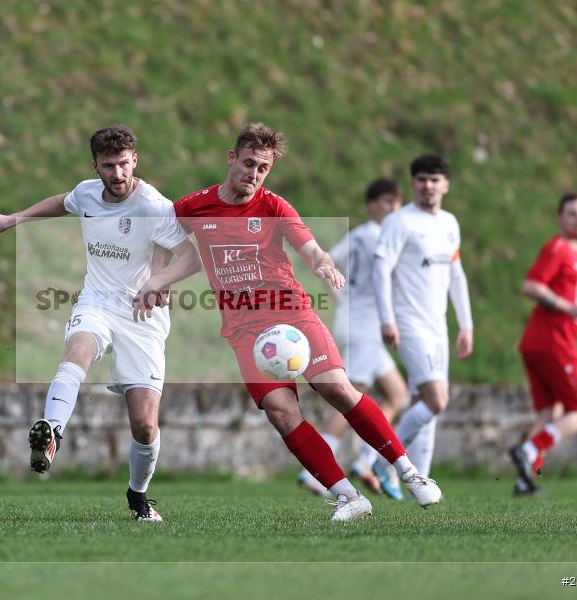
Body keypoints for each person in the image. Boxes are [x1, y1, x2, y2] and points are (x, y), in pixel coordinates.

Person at [170, 123, 441, 522]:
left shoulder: (274, 206)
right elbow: (158, 235)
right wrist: (154, 280)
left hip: (291, 314)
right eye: (248, 164)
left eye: (263, 168)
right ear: (231, 158)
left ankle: (410, 472)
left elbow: (312, 249)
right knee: (281, 413)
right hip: (245, 331)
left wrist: (325, 266)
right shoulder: (193, 207)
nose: (254, 174)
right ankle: (348, 497)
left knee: (338, 390)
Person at [0, 126, 201, 521]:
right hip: (97, 301)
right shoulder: (87, 193)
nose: (117, 173)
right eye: (108, 166)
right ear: (96, 166)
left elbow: (190, 256)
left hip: (142, 314)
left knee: (145, 426)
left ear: (135, 160)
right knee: (78, 349)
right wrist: (13, 219)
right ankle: (52, 433)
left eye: (123, 164)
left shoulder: (153, 205)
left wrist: (158, 280)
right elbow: (62, 203)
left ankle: (138, 496)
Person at [297, 178, 409, 500]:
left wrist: (342, 297)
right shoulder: (379, 237)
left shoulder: (359, 234)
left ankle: (366, 459)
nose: (393, 208)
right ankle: (313, 471)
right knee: (350, 400)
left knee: (397, 393)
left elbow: (324, 261)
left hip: (361, 325)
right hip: (363, 329)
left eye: (397, 202)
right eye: (387, 202)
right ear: (372, 204)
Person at [371, 155, 473, 483]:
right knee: (436, 400)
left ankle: (421, 480)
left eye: (434, 179)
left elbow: (456, 274)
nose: (428, 186)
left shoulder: (449, 223)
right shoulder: (399, 222)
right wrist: (387, 319)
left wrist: (466, 324)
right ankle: (385, 461)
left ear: (446, 185)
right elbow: (381, 269)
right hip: (408, 324)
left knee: (423, 404)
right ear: (413, 183)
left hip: (438, 328)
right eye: (421, 179)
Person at [510, 193, 577, 495]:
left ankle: (526, 479)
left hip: (538, 342)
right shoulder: (560, 248)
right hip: (553, 342)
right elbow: (531, 286)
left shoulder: (576, 255)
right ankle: (529, 450)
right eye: (572, 214)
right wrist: (569, 307)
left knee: (550, 415)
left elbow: (570, 305)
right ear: (559, 218)